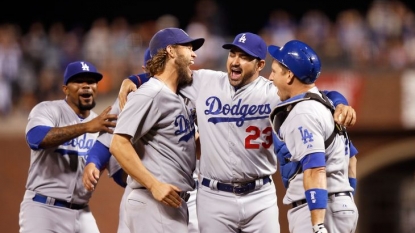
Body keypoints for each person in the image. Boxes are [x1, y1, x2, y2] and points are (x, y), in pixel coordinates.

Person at [118, 32, 356, 233]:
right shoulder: (205, 82)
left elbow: (311, 94)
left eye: (244, 57)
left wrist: (340, 101)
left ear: (260, 65)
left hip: (260, 194)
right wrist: (135, 79)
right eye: (233, 54)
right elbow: (169, 74)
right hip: (214, 195)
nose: (235, 61)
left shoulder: (273, 91)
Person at [82, 47, 201, 233]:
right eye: (146, 73)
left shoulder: (188, 91)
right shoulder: (140, 96)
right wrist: (94, 162)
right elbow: (112, 141)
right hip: (151, 192)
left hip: (184, 191)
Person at [109, 28, 204, 233]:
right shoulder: (150, 94)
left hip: (170, 204)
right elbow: (118, 144)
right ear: (170, 51)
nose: (194, 54)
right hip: (153, 202)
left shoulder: (176, 97)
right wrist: (154, 185)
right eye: (188, 48)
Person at [268, 40, 358, 233]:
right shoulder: (327, 104)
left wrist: (317, 225)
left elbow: (315, 169)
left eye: (274, 71)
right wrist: (346, 198)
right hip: (337, 206)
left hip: (318, 210)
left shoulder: (303, 113)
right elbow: (352, 160)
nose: (270, 77)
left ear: (289, 75)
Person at [19, 60, 117, 233]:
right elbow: (35, 138)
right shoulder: (48, 110)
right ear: (65, 89)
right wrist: (87, 127)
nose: (86, 86)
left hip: (82, 212)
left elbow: (117, 172)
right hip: (43, 209)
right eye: (79, 81)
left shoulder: (101, 124)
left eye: (91, 81)